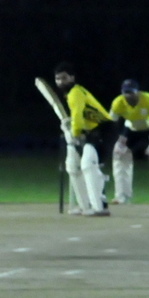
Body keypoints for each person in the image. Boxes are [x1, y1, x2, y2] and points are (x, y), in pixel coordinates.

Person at [54, 62, 118, 216]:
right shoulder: (70, 95)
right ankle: (85, 206)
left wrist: (74, 132)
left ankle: (99, 207)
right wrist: (72, 128)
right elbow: (79, 118)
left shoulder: (75, 92)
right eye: (58, 79)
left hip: (104, 130)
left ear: (72, 78)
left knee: (88, 164)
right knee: (72, 166)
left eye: (64, 78)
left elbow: (77, 115)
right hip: (91, 132)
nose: (61, 82)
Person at [108, 79, 149, 205]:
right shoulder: (118, 102)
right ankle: (122, 195)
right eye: (126, 93)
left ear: (137, 92)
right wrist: (119, 137)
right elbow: (112, 121)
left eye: (131, 92)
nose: (128, 96)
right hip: (131, 129)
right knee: (120, 157)